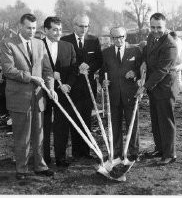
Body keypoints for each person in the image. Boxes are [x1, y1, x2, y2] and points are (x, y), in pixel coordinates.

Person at [0, 13, 57, 180]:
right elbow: (8, 70)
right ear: (20, 27)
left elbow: (47, 71)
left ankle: (40, 166)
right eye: (28, 28)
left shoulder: (40, 44)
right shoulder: (7, 44)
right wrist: (31, 77)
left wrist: (51, 89)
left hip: (38, 98)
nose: (32, 31)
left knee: (39, 135)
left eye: (34, 28)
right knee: (22, 136)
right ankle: (22, 169)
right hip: (19, 98)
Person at [61, 14, 103, 160]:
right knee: (74, 118)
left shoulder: (93, 40)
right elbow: (64, 62)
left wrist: (89, 67)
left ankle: (85, 152)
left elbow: (99, 60)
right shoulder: (65, 40)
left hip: (88, 87)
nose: (83, 29)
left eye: (86, 26)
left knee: (85, 118)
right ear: (74, 26)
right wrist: (78, 67)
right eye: (80, 26)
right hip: (72, 86)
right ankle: (75, 152)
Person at [100, 26, 143, 161]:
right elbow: (102, 72)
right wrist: (103, 82)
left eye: (121, 37)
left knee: (132, 124)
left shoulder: (135, 50)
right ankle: (116, 151)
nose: (118, 40)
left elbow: (142, 69)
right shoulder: (106, 52)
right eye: (115, 37)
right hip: (113, 95)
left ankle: (134, 152)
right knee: (114, 124)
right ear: (111, 38)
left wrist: (135, 73)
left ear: (125, 36)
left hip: (131, 94)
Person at [140, 13, 178, 165]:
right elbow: (146, 53)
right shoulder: (151, 37)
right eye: (153, 27)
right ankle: (160, 148)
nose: (155, 30)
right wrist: (143, 61)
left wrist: (144, 86)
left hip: (165, 88)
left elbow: (162, 71)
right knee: (156, 119)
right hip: (154, 88)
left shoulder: (170, 44)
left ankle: (170, 154)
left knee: (166, 120)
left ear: (165, 26)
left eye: (159, 27)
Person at [42, 17, 77, 167]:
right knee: (43, 126)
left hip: (62, 93)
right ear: (46, 30)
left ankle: (60, 158)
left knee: (61, 126)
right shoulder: (38, 45)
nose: (58, 32)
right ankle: (44, 158)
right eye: (54, 29)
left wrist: (67, 84)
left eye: (60, 29)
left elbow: (74, 69)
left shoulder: (68, 46)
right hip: (42, 92)